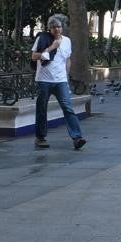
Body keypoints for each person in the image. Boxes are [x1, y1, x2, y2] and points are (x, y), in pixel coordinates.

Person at [30, 14, 86, 150]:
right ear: (49, 28)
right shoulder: (43, 39)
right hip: (44, 80)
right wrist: (52, 47)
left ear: (62, 28)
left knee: (68, 108)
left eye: (59, 27)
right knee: (42, 108)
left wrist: (67, 77)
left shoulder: (67, 41)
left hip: (60, 80)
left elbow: (67, 59)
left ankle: (77, 137)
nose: (56, 30)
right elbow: (34, 56)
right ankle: (40, 138)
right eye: (53, 27)